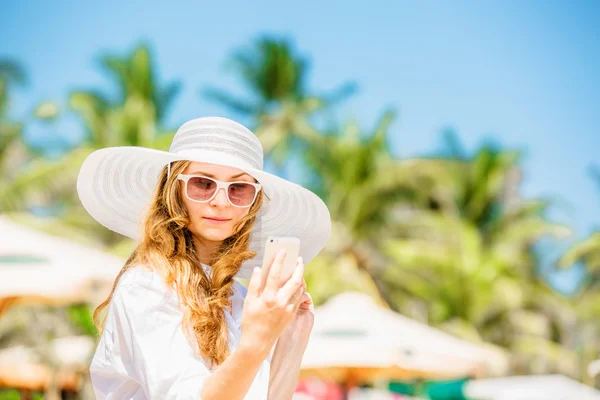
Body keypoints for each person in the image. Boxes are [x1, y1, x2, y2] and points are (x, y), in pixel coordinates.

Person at [77, 116, 331, 399]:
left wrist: (291, 337)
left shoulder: (241, 299)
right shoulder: (147, 287)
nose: (221, 201)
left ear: (253, 203)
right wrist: (257, 339)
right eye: (203, 183)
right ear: (175, 191)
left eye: (238, 188)